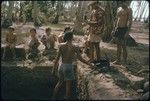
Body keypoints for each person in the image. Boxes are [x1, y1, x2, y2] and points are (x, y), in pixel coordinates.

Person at [52, 32, 95, 100]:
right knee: (68, 85)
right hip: (68, 66)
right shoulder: (75, 47)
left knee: (60, 82)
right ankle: (67, 97)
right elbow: (80, 59)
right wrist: (90, 64)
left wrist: (53, 69)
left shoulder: (61, 45)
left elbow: (57, 59)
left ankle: (53, 97)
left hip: (61, 66)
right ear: (71, 37)